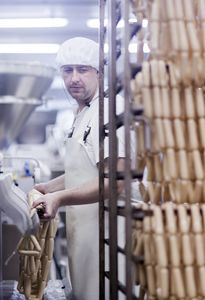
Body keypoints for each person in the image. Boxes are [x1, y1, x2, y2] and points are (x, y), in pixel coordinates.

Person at [32, 37, 128, 300]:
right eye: (67, 70)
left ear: (99, 71)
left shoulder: (108, 110)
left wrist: (59, 198)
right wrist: (48, 188)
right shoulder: (82, 111)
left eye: (82, 69)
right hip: (85, 230)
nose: (74, 78)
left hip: (108, 234)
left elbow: (115, 181)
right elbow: (84, 171)